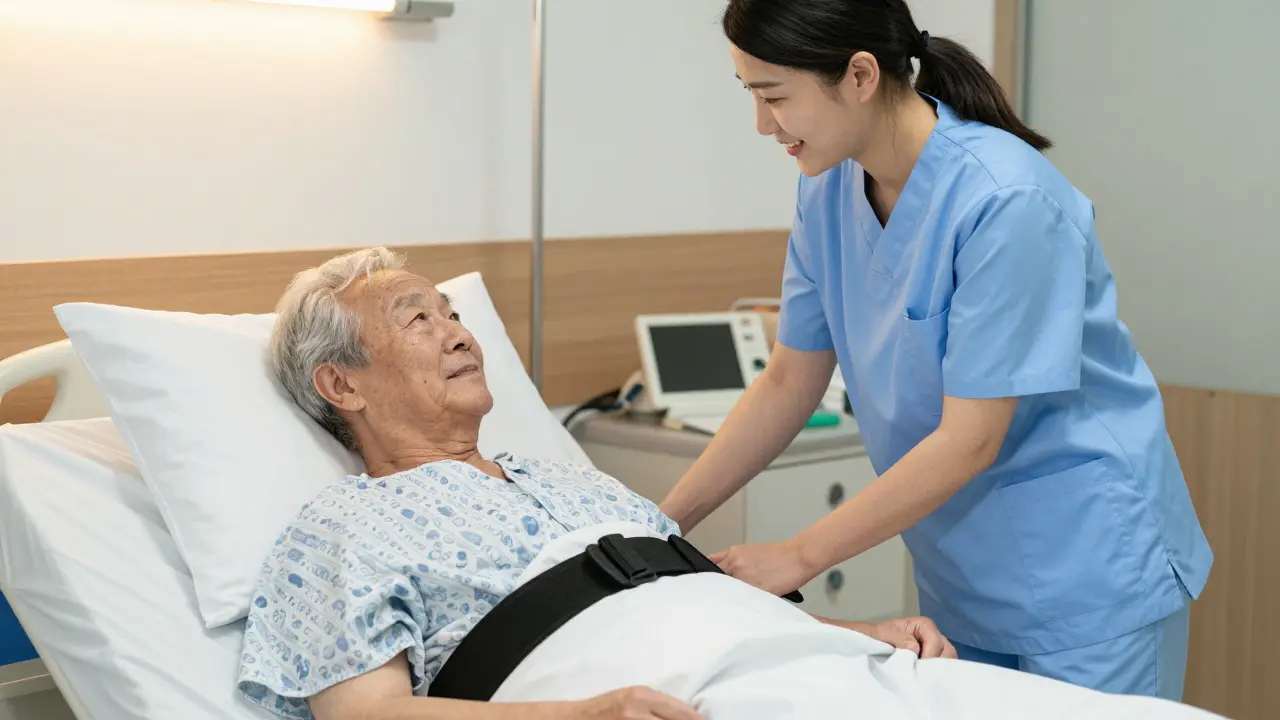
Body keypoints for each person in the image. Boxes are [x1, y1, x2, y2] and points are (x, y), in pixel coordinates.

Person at [658, 0, 1212, 702]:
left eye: (774, 97)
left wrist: (795, 557)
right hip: (966, 576)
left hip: (1087, 569)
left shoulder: (1005, 200)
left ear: (859, 75)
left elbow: (970, 440)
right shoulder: (826, 191)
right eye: (752, 97)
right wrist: (657, 525)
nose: (764, 125)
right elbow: (789, 381)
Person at [236, 247, 958, 720]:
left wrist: (862, 633)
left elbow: (701, 607)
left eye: (452, 314)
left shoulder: (573, 482)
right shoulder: (344, 528)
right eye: (418, 320)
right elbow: (368, 715)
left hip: (810, 674)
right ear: (341, 385)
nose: (458, 334)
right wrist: (582, 714)